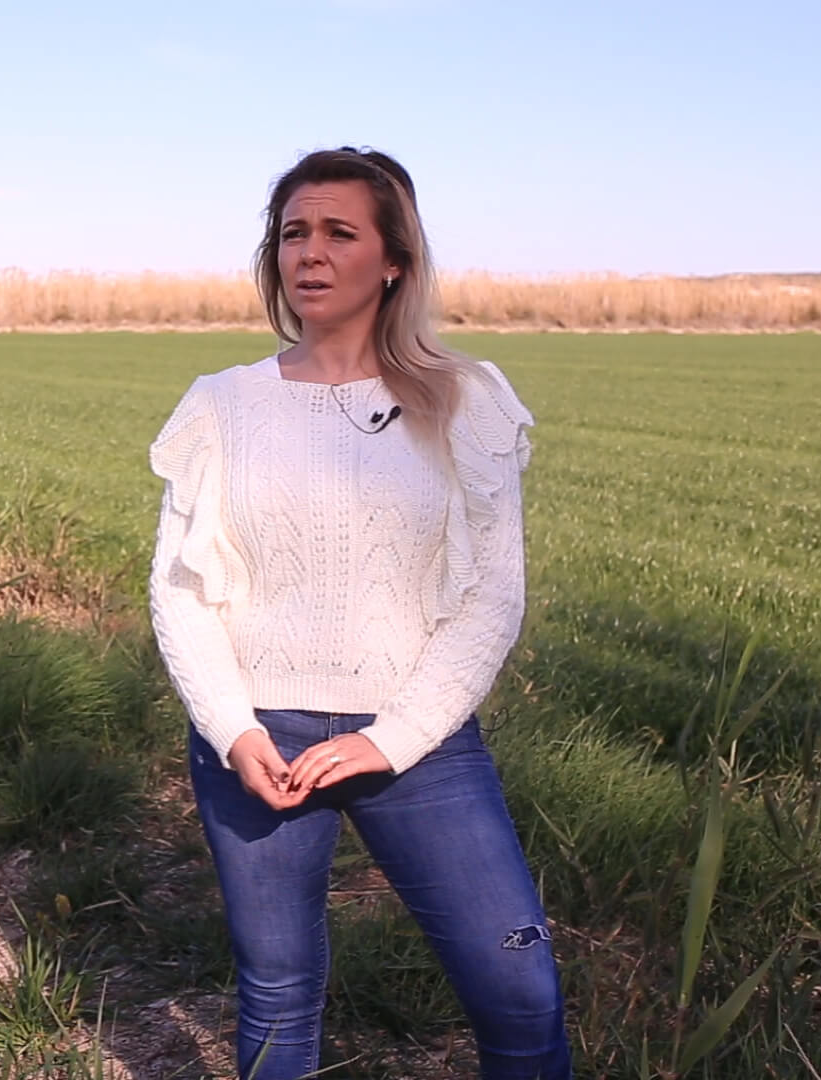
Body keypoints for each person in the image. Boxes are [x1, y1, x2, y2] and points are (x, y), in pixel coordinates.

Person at [147, 147, 571, 1080]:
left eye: (339, 232)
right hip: (258, 739)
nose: (310, 252)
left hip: (418, 739)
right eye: (293, 232)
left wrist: (397, 735)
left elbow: (493, 594)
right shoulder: (220, 405)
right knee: (276, 999)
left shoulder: (465, 399)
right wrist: (231, 730)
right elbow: (179, 592)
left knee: (520, 993)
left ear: (393, 260)